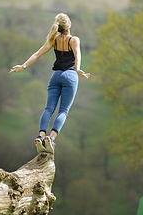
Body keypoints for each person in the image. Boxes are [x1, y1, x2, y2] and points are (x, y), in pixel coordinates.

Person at [9, 13, 90, 154]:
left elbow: (37, 54)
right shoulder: (74, 39)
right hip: (70, 76)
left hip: (55, 76)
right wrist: (77, 69)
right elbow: (78, 55)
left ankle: (40, 136)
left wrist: (23, 66)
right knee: (63, 110)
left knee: (48, 109)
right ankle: (51, 138)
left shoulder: (54, 40)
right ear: (68, 25)